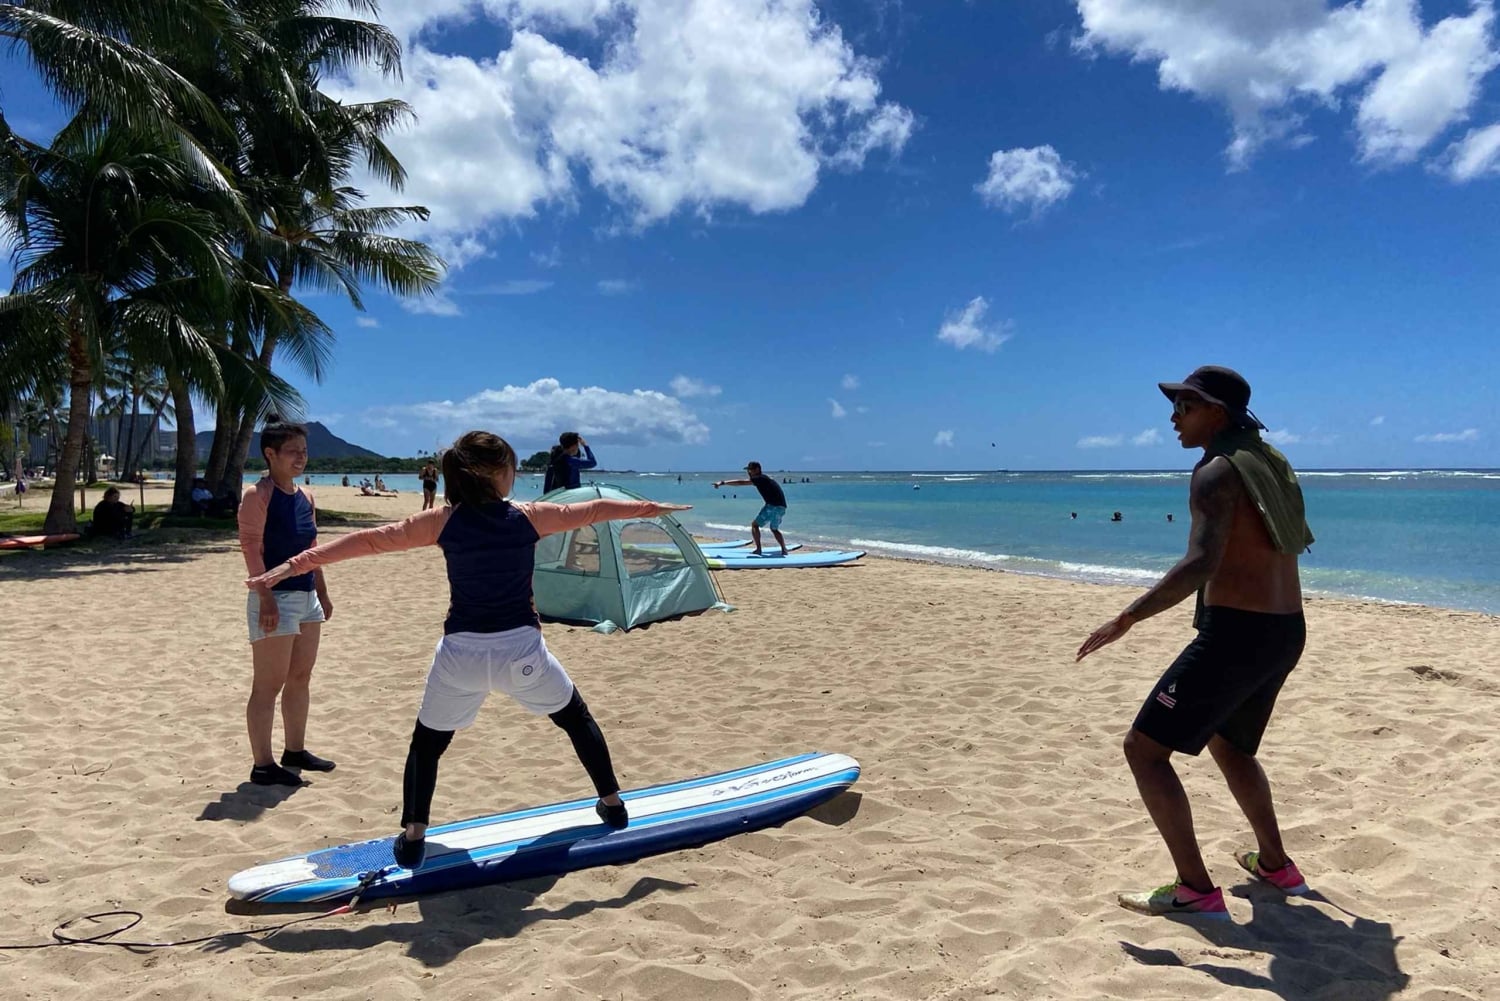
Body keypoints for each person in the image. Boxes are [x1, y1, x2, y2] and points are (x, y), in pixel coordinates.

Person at [245, 431, 691, 868]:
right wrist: (650, 508)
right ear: (497, 473)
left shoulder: (442, 521)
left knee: (427, 746)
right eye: (512, 467)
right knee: (576, 719)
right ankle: (613, 805)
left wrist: (288, 568)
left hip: (461, 658)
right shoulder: (529, 515)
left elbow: (366, 542)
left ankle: (415, 835)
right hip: (523, 655)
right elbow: (593, 510)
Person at [1077, 366, 1314, 920]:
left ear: (1217, 412)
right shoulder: (1270, 462)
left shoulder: (1214, 472)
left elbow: (1200, 562)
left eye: (1185, 406)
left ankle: (1194, 890)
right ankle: (1276, 865)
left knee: (1143, 749)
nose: (1173, 417)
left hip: (1238, 633)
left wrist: (1128, 617)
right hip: (1286, 629)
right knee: (1230, 745)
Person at [238, 417, 335, 787]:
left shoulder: (306, 496)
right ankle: (262, 765)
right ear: (270, 453)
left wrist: (322, 592)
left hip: (307, 595)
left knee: (300, 677)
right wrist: (264, 596)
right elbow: (250, 547)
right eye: (293, 451)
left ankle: (295, 750)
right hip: (274, 597)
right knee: (268, 684)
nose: (301, 458)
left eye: (304, 451)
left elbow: (313, 550)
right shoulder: (257, 495)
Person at [712, 461, 788, 556]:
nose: (749, 472)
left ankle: (758, 549)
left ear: (757, 469)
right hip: (782, 507)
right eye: (748, 470)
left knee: (755, 525)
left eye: (750, 470)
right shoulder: (764, 478)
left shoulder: (759, 478)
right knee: (774, 529)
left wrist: (723, 483)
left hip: (772, 506)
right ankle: (784, 550)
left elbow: (741, 482)